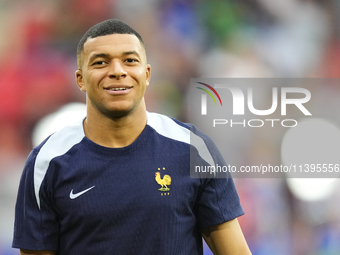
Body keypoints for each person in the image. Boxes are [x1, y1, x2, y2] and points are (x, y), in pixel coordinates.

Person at [12, 19, 252, 255]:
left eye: (129, 60)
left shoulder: (193, 148)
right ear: (80, 80)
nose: (117, 71)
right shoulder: (47, 162)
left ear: (146, 74)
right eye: (100, 62)